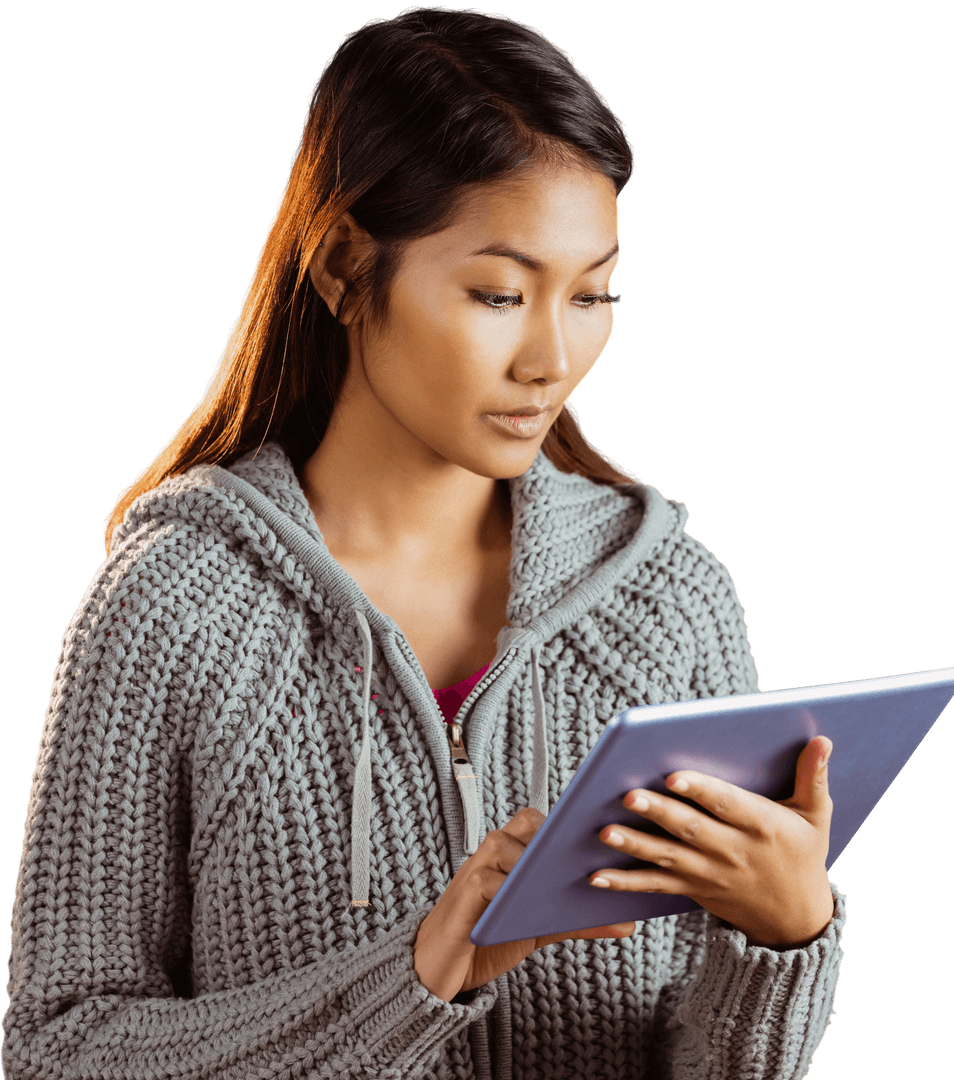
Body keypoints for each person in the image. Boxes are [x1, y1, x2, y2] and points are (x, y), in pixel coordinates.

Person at [2, 7, 845, 1078]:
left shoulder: (669, 600)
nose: (551, 357)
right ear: (343, 267)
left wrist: (783, 940)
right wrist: (417, 978)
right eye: (499, 294)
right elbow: (58, 1050)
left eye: (592, 294)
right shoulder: (170, 607)